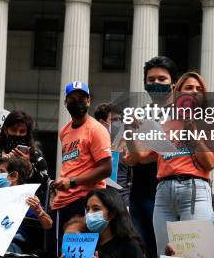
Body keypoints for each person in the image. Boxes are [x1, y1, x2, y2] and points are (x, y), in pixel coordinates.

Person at [127, 71, 214, 255]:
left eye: (198, 89)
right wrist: (130, 132)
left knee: (193, 253)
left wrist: (192, 129)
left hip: (194, 191)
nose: (193, 92)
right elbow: (141, 158)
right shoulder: (165, 124)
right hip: (163, 193)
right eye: (189, 88)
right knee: (165, 253)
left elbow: (209, 163)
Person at [123, 55, 179, 258]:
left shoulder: (181, 114)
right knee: (141, 249)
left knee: (167, 251)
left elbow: (155, 154)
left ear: (173, 82)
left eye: (161, 79)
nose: (156, 83)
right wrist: (129, 130)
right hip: (139, 192)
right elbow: (130, 158)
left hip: (168, 192)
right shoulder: (140, 113)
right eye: (151, 79)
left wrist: (142, 152)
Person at [50, 81, 112, 255]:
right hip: (62, 202)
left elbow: (106, 168)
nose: (77, 102)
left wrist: (72, 181)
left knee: (81, 254)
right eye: (72, 98)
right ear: (65, 103)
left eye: (81, 98)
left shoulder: (96, 130)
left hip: (85, 201)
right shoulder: (64, 131)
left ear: (89, 101)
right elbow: (71, 164)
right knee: (60, 253)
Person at [0, 156, 52, 257]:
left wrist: (38, 210)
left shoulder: (27, 197)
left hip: (13, 242)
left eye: (1, 171)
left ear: (14, 175)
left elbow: (48, 225)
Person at [0, 110, 49, 197]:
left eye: (22, 131)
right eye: (13, 130)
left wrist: (28, 165)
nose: (17, 134)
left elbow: (44, 185)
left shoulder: (35, 155)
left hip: (25, 203)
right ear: (5, 130)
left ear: (27, 134)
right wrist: (0, 165)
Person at [85, 188, 144, 258]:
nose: (89, 213)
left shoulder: (129, 246)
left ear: (111, 214)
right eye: (88, 209)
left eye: (96, 209)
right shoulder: (86, 244)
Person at [94, 103, 131, 207]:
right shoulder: (91, 147)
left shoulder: (127, 145)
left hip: (123, 203)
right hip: (99, 202)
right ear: (102, 123)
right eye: (114, 120)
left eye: (120, 119)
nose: (118, 123)